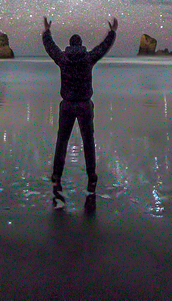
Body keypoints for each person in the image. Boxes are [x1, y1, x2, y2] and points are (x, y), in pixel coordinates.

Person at [42, 15, 117, 208]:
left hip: (67, 104)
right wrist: (112, 33)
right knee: (88, 141)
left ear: (69, 44)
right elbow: (103, 48)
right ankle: (91, 176)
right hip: (84, 105)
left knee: (62, 141)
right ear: (81, 44)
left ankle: (57, 175)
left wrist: (47, 31)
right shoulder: (88, 58)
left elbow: (50, 47)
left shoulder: (63, 58)